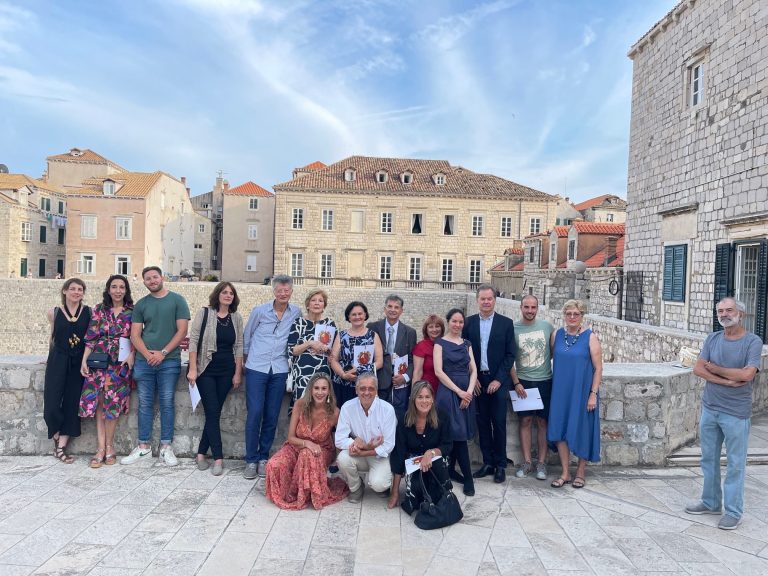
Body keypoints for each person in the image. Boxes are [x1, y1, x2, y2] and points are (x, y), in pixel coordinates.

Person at [686, 298, 763, 530]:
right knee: (708, 459)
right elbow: (698, 368)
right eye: (720, 311)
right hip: (710, 408)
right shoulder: (712, 338)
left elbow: (747, 375)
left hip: (736, 413)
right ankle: (710, 502)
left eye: (729, 310)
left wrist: (716, 369)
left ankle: (733, 511)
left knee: (735, 463)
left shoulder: (753, 342)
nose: (724, 314)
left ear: (740, 313)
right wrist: (727, 381)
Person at [122, 266, 190, 466]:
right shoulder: (141, 305)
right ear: (144, 282)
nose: (152, 281)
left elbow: (182, 331)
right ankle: (143, 447)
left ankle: (166, 447)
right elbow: (134, 335)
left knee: (167, 402)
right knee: (144, 404)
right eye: (148, 279)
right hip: (145, 362)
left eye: (155, 277)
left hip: (169, 360)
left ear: (162, 277)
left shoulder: (177, 300)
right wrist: (148, 354)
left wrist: (163, 353)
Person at [242, 275, 302, 480]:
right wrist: (245, 361)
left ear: (291, 292)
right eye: (279, 290)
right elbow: (247, 335)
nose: (283, 293)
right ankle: (250, 459)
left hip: (280, 368)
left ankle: (263, 457)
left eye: (287, 290)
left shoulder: (296, 312)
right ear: (274, 291)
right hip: (257, 367)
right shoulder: (260, 311)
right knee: (255, 411)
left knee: (272, 413)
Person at [265, 373, 348, 509]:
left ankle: (305, 494)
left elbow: (342, 437)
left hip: (321, 450)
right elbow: (291, 437)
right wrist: (306, 443)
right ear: (310, 390)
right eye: (316, 388)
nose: (320, 392)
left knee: (306, 455)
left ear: (329, 391)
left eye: (323, 388)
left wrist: (339, 458)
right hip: (296, 445)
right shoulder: (299, 405)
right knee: (273, 465)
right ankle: (291, 490)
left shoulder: (334, 412)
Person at [187, 282, 244, 476]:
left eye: (231, 293)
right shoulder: (205, 313)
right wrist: (193, 368)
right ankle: (218, 457)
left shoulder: (236, 318)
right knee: (212, 411)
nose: (228, 295)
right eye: (224, 292)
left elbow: (239, 346)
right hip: (206, 370)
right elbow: (193, 341)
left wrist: (237, 373)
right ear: (217, 294)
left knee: (214, 412)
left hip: (227, 371)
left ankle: (201, 453)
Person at [79, 275, 134, 468]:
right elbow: (91, 338)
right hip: (99, 361)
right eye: (114, 287)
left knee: (114, 404)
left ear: (126, 290)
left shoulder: (132, 312)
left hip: (120, 363)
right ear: (108, 290)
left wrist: (132, 355)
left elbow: (137, 337)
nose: (118, 290)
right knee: (100, 404)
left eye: (121, 287)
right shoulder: (99, 310)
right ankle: (100, 448)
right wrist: (84, 360)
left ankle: (110, 446)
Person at [463, 284, 516, 483]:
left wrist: (499, 379)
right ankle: (487, 462)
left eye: (489, 299)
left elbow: (510, 355)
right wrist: (473, 378)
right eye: (482, 299)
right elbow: (464, 353)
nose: (486, 302)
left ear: (495, 300)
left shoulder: (506, 323)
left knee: (499, 424)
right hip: (477, 381)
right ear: (477, 300)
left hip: (498, 381)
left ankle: (500, 464)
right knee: (482, 423)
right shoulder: (468, 324)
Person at [548, 300, 602, 488]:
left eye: (576, 314)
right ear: (564, 315)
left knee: (583, 429)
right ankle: (565, 472)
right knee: (560, 429)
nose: (572, 317)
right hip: (560, 391)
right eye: (569, 313)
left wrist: (593, 393)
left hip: (582, 391)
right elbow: (551, 357)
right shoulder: (557, 335)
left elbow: (598, 368)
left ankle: (580, 471)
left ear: (582, 316)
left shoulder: (590, 337)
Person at [44, 278, 91, 463]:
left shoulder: (89, 312)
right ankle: (56, 433)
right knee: (52, 403)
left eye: (80, 289)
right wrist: (48, 356)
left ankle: (61, 447)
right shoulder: (53, 313)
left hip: (78, 362)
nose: (76, 292)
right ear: (65, 291)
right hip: (58, 359)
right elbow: (52, 336)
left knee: (72, 403)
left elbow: (91, 339)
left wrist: (86, 360)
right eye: (72, 289)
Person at [388, 380, 453, 513]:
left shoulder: (443, 417)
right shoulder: (404, 420)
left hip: (436, 460)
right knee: (416, 497)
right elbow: (399, 454)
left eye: (427, 397)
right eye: (420, 397)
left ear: (433, 399)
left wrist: (431, 453)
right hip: (414, 463)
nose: (424, 401)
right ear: (413, 399)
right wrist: (394, 492)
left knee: (438, 497)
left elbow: (448, 445)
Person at [434, 308, 478, 496]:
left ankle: (451, 470)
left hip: (465, 393)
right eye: (454, 321)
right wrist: (459, 391)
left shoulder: (467, 344)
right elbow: (438, 371)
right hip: (448, 392)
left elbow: (473, 369)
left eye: (461, 322)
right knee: (455, 435)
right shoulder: (440, 343)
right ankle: (467, 478)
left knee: (458, 433)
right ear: (449, 322)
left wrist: (468, 392)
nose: (458, 325)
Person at [335, 373, 396, 503]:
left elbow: (389, 445)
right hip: (359, 452)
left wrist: (364, 448)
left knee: (379, 484)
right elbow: (339, 439)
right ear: (356, 390)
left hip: (380, 455)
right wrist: (354, 443)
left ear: (376, 391)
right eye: (362, 388)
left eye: (371, 388)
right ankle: (356, 487)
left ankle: (382, 485)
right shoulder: (347, 407)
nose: (366, 392)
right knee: (342, 459)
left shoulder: (387, 410)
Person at [511, 294, 554, 481]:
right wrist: (516, 382)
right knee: (525, 422)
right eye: (526, 307)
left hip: (545, 380)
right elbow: (509, 360)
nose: (530, 311)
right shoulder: (513, 329)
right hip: (523, 381)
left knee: (543, 423)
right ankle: (528, 462)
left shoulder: (547, 327)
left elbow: (552, 353)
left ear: (538, 308)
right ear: (521, 308)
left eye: (533, 307)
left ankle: (542, 463)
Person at [287, 289, 336, 411]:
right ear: (308, 305)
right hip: (303, 372)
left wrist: (327, 350)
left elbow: (335, 352)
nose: (317, 303)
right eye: (313, 300)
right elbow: (292, 350)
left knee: (322, 407)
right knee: (302, 406)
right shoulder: (299, 322)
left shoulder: (330, 324)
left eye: (320, 301)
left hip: (323, 371)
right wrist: (309, 344)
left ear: (324, 305)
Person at [367, 295, 417, 412]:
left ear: (401, 311)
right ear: (385, 309)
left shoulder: (410, 332)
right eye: (389, 306)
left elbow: (412, 359)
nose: (392, 310)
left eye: (396, 307)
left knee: (398, 417)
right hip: (378, 380)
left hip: (399, 383)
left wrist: (405, 377)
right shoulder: (372, 327)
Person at [330, 301, 383, 407]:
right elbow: (333, 359)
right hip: (342, 384)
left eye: (360, 314)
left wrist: (359, 370)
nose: (357, 317)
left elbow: (379, 362)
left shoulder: (373, 336)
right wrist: (343, 375)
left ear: (365, 315)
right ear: (348, 317)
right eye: (353, 314)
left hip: (365, 386)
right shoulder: (341, 335)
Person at [413, 315, 445, 396]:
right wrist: (414, 394)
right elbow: (417, 372)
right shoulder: (421, 346)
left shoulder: (446, 344)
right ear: (426, 329)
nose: (434, 330)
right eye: (431, 327)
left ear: (442, 328)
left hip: (445, 388)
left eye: (437, 326)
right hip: (426, 389)